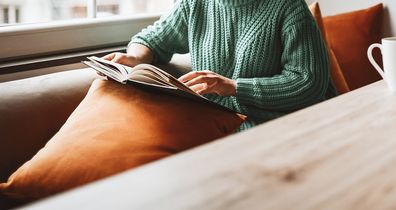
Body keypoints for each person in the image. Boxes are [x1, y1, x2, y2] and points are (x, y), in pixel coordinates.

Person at [103, 0, 336, 131]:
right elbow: (151, 40)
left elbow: (309, 83)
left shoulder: (289, 8)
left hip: (288, 126)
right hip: (221, 128)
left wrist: (234, 87)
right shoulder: (195, 4)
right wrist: (134, 58)